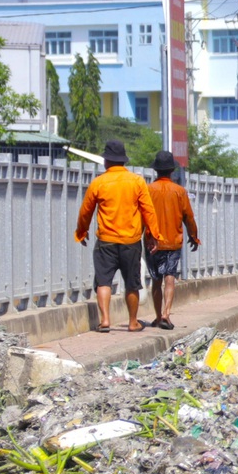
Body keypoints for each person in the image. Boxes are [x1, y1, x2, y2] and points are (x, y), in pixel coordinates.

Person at [74, 140, 163, 333]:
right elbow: (149, 211)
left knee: (103, 281)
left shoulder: (98, 183)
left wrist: (82, 231)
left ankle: (105, 320)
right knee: (132, 283)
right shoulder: (137, 181)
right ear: (123, 161)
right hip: (131, 241)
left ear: (106, 161)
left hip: (106, 240)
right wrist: (152, 235)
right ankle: (132, 322)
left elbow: (85, 212)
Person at [144, 150, 200, 330]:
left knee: (156, 280)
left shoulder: (148, 190)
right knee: (170, 277)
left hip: (152, 242)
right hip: (173, 242)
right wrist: (194, 236)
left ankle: (158, 316)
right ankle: (167, 314)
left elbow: (140, 216)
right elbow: (189, 217)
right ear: (171, 171)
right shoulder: (179, 191)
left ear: (156, 171)